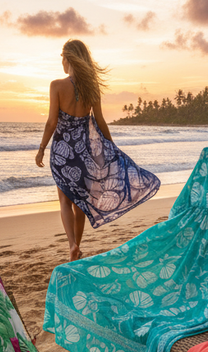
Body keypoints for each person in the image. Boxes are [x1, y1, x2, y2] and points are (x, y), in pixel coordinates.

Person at [35, 39, 160, 262]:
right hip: (84, 155)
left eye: (62, 58)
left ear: (67, 58)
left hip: (63, 154)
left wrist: (42, 148)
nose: (62, 62)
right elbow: (100, 121)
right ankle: (77, 249)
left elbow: (51, 122)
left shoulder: (56, 85)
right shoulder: (92, 88)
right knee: (80, 205)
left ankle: (72, 245)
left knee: (65, 201)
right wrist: (112, 149)